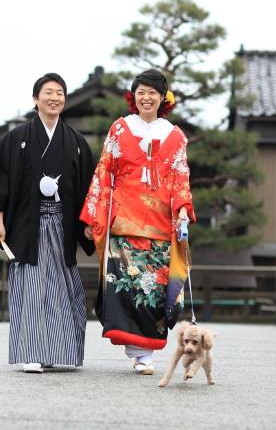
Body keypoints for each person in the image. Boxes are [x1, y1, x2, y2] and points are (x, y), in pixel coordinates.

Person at [80, 68, 196, 375]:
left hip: (159, 226)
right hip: (123, 223)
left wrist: (183, 209)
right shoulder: (119, 129)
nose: (146, 98)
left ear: (162, 98)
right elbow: (104, 172)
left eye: (152, 93)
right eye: (141, 92)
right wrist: (93, 215)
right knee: (127, 289)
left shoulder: (175, 136)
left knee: (154, 294)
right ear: (134, 97)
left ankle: (145, 353)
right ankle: (139, 353)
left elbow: (181, 177)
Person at [0, 73, 96, 373]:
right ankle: (32, 352)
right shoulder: (16, 138)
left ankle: (59, 352)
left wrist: (87, 223)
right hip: (26, 225)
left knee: (61, 286)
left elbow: (88, 187)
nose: (54, 98)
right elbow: (0, 182)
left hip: (63, 224)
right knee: (32, 285)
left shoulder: (74, 142)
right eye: (48, 92)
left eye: (60, 93)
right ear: (35, 99)